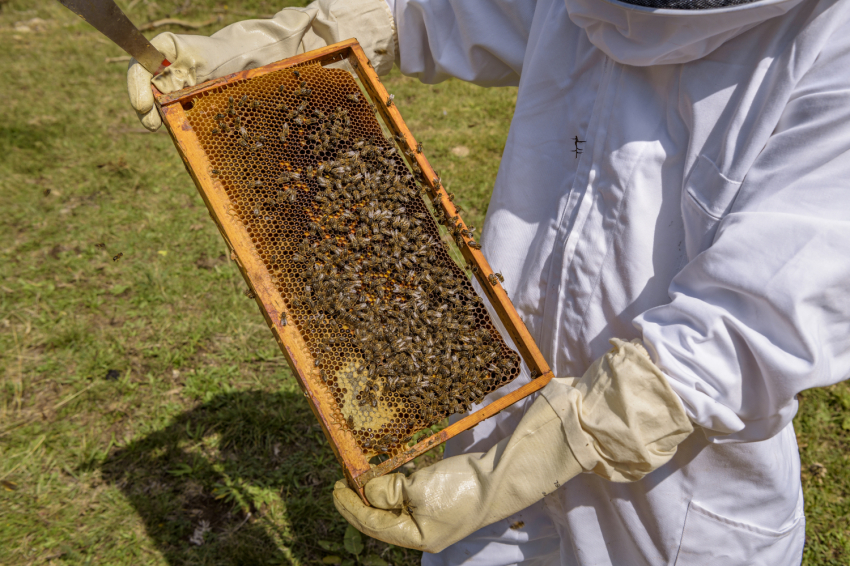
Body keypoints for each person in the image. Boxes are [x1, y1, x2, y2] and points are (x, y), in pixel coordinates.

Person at [127, 0, 850, 563]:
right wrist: (292, 35)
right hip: (499, 393)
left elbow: (762, 318)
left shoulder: (832, 47)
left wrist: (527, 460)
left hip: (678, 487)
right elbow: (440, 10)